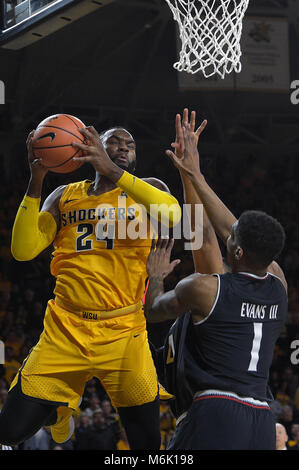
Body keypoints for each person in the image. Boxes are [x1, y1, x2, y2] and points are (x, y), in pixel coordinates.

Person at [0, 124, 181, 450]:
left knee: (146, 448)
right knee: (10, 431)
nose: (124, 148)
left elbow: (173, 216)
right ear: (89, 148)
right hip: (65, 330)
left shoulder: (146, 189)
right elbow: (23, 250)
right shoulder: (64, 195)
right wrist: (36, 179)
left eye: (131, 144)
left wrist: (109, 168)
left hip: (125, 332)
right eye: (114, 143)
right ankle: (57, 413)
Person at [144, 109, 288, 450]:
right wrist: (193, 175)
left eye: (234, 240)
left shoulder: (205, 289)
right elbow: (219, 231)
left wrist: (156, 277)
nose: (229, 234)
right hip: (262, 419)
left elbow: (151, 310)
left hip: (217, 412)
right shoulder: (278, 284)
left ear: (237, 253)